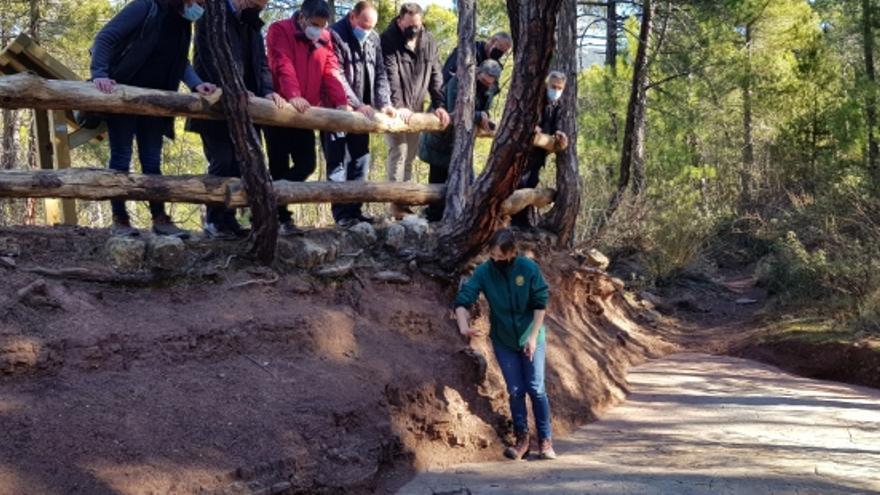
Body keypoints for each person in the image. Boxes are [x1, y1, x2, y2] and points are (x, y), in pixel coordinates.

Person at [90, 0, 216, 238]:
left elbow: (179, 62)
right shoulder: (146, 7)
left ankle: (160, 219)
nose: (199, 7)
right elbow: (105, 37)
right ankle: (120, 220)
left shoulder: (182, 23)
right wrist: (99, 74)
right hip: (124, 96)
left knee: (151, 161)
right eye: (197, 2)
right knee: (121, 157)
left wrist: (196, 83)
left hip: (157, 103)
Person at [453, 229, 556, 461]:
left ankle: (545, 440)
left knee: (536, 388)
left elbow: (540, 303)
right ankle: (522, 441)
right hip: (503, 339)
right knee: (516, 390)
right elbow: (464, 299)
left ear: (512, 252)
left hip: (532, 335)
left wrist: (532, 337)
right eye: (492, 254)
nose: (495, 259)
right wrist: (463, 324)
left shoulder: (527, 268)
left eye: (500, 255)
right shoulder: (484, 271)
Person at [189, 0, 284, 240]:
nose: (259, 9)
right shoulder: (212, 15)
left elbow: (261, 62)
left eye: (262, 6)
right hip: (215, 105)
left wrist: (267, 90)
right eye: (255, 4)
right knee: (221, 161)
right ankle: (213, 219)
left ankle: (228, 219)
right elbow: (210, 58)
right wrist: (233, 87)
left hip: (246, 109)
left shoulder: (251, 22)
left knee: (241, 164)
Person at [265, 0, 348, 235]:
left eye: (322, 26)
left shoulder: (325, 38)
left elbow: (331, 70)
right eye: (314, 24)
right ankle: (280, 218)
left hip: (305, 114)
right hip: (279, 111)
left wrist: (341, 102)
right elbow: (282, 63)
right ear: (302, 17)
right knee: (278, 166)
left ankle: (266, 200)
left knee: (307, 164)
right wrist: (293, 95)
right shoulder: (279, 30)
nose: (318, 30)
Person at [324, 1, 393, 227]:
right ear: (353, 17)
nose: (368, 31)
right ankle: (342, 214)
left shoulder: (373, 38)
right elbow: (336, 74)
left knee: (360, 161)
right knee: (338, 162)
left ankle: (355, 210)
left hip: (365, 112)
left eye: (372, 26)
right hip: (337, 109)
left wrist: (385, 103)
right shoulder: (334, 34)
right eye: (364, 25)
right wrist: (355, 103)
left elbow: (381, 72)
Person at [381, 3, 450, 220]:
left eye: (417, 25)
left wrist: (439, 104)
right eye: (410, 25)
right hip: (395, 108)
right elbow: (390, 74)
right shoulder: (388, 39)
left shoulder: (428, 40)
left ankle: (405, 202)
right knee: (398, 152)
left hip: (417, 108)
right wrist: (399, 105)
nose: (414, 29)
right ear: (400, 20)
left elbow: (436, 73)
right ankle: (395, 204)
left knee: (410, 155)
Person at [419, 59, 501, 222]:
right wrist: (479, 116)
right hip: (441, 139)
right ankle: (433, 217)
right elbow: (454, 112)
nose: (486, 85)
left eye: (489, 83)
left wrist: (484, 117)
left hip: (462, 144)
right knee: (437, 180)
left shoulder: (490, 89)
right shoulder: (459, 81)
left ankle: (458, 216)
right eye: (483, 81)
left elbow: (483, 109)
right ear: (478, 73)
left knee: (467, 181)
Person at [511, 71, 571, 228]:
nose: (556, 90)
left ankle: (523, 221)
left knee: (531, 183)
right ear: (547, 84)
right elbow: (525, 117)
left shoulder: (558, 103)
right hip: (524, 151)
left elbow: (557, 123)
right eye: (553, 86)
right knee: (520, 184)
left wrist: (558, 132)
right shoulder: (536, 98)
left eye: (559, 88)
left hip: (539, 154)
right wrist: (533, 126)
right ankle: (514, 221)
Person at [442, 32, 512, 86]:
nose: (500, 53)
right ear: (492, 41)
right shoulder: (468, 49)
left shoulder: (496, 66)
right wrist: (473, 74)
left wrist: (489, 82)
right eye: (500, 48)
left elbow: (494, 90)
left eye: (503, 52)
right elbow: (448, 73)